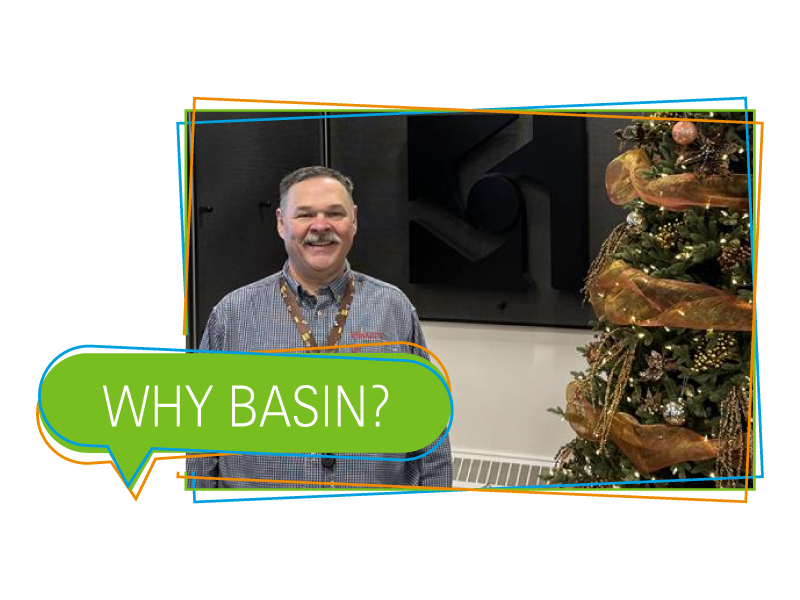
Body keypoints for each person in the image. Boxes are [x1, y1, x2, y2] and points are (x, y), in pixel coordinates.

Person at [187, 166, 452, 489]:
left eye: (334, 213)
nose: (321, 226)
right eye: (305, 214)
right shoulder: (232, 315)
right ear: (282, 223)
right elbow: (200, 443)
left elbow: (430, 436)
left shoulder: (393, 309)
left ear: (353, 220)